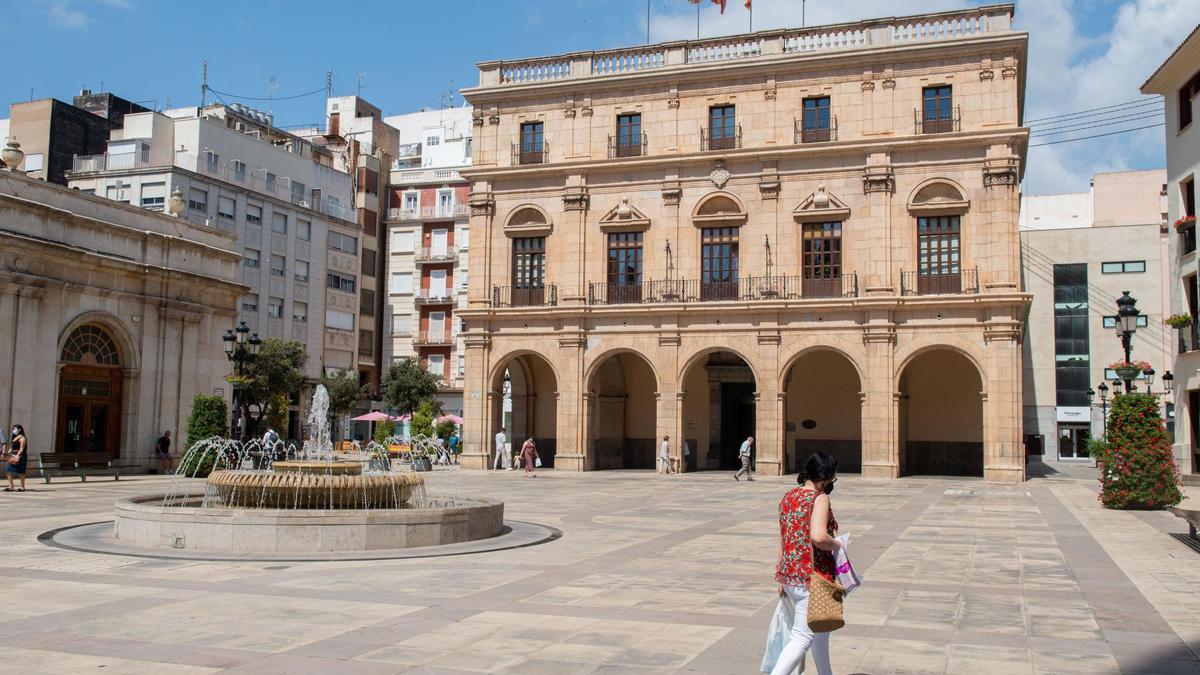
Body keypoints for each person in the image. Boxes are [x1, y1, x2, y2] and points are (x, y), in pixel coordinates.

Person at [770, 452, 841, 675]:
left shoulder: (789, 496)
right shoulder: (819, 498)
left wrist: (781, 573)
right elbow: (818, 537)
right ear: (825, 477)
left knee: (820, 632)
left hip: (790, 575)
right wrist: (837, 544)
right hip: (812, 578)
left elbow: (786, 536)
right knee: (801, 638)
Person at [5, 424, 28, 493]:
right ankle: (11, 486)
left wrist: (18, 455)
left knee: (21, 472)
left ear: (20, 429)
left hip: (21, 456)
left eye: (15, 429)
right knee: (9, 470)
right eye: (13, 429)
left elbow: (22, 448)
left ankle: (22, 487)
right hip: (13, 456)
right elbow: (12, 447)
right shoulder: (15, 437)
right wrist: (8, 453)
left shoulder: (22, 438)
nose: (13, 430)